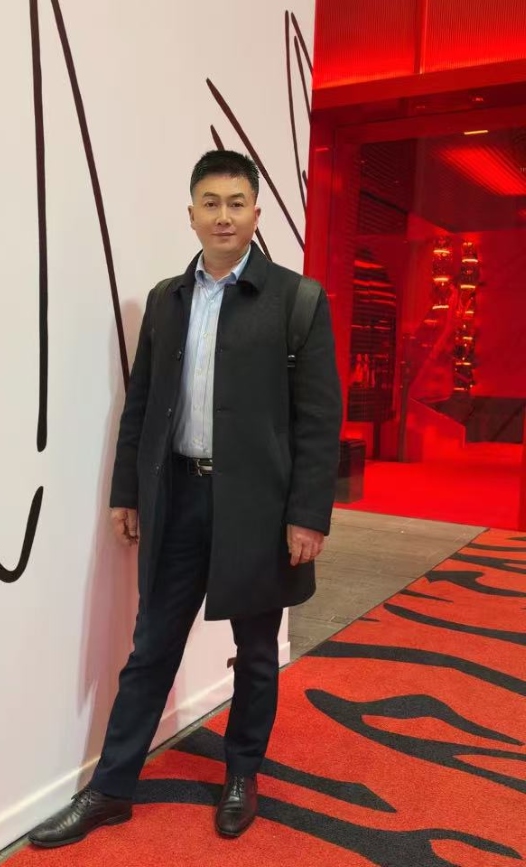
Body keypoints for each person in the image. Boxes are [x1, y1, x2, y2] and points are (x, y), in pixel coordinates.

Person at [29, 150, 342, 848]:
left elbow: (320, 420)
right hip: (177, 497)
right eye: (211, 202)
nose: (223, 215)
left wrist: (307, 514)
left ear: (255, 214)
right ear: (192, 213)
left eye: (236, 202)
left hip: (259, 510)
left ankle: (241, 774)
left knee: (255, 651)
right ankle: (111, 788)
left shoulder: (296, 300)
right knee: (151, 647)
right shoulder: (168, 299)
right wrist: (127, 491)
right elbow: (141, 403)